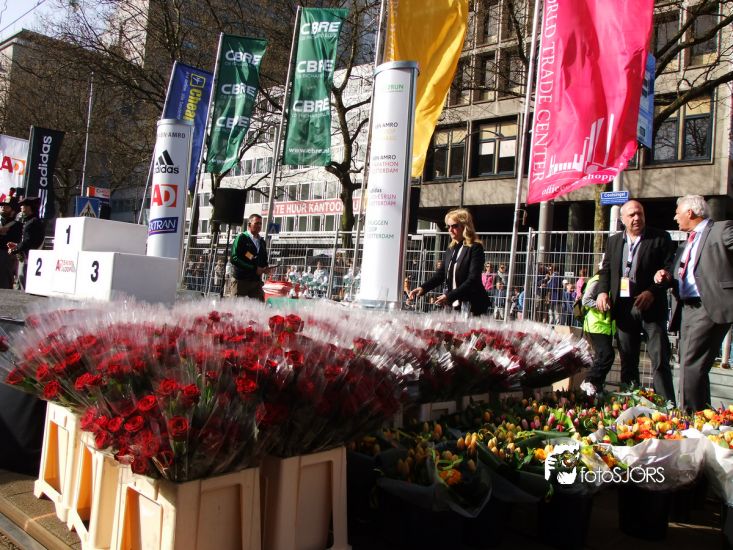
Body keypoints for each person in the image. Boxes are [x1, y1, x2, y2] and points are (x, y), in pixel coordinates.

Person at [654, 195, 733, 411]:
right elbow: (682, 274)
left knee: (690, 364)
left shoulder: (721, 230)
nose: (675, 217)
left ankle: (688, 417)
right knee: (693, 366)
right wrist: (666, 277)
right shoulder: (686, 244)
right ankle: (702, 415)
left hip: (708, 306)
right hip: (686, 308)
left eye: (677, 212)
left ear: (690, 212)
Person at [596, 200, 676, 401]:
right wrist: (602, 292)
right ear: (622, 219)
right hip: (624, 308)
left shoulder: (660, 238)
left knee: (659, 360)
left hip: (651, 307)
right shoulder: (614, 241)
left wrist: (652, 291)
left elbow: (669, 270)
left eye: (640, 213)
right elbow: (606, 270)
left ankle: (666, 404)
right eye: (631, 215)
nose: (637, 218)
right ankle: (630, 401)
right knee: (628, 360)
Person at [408, 208, 489, 315]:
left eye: (454, 226)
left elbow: (473, 279)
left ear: (465, 226)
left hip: (473, 304)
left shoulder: (475, 248)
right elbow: (440, 275)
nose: (450, 229)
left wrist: (449, 296)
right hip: (454, 304)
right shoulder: (450, 249)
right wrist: (423, 288)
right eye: (448, 226)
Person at [579, 272, 616, 394]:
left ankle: (596, 389)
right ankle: (589, 381)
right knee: (607, 355)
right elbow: (586, 300)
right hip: (595, 326)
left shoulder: (608, 281)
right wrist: (602, 306)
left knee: (601, 357)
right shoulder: (598, 280)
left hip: (604, 326)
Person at [227, 213, 272, 300]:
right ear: (249, 224)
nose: (259, 226)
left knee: (259, 305)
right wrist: (254, 268)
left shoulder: (262, 241)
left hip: (256, 281)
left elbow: (263, 259)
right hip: (241, 280)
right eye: (256, 223)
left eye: (260, 223)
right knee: (237, 306)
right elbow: (234, 258)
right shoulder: (241, 238)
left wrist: (265, 268)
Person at [7, 196, 45, 289]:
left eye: (23, 205)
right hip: (28, 256)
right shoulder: (32, 221)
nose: (21, 207)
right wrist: (17, 245)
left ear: (29, 207)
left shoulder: (32, 222)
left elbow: (28, 242)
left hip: (29, 258)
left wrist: (15, 249)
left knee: (23, 279)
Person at [0, 194, 22, 289]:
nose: (3, 208)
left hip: (5, 256)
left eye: (6, 206)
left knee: (4, 284)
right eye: (2, 206)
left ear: (13, 210)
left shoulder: (17, 226)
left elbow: (14, 241)